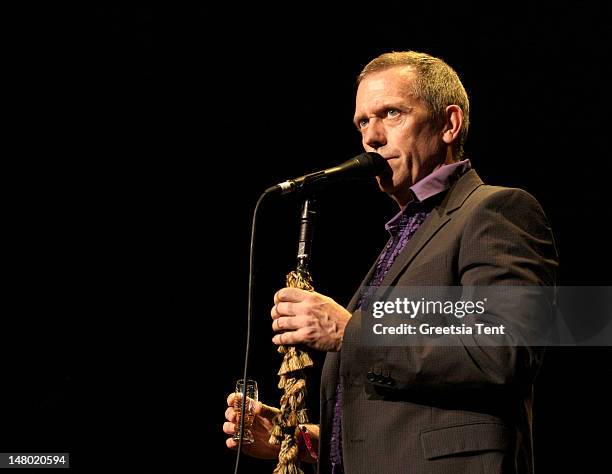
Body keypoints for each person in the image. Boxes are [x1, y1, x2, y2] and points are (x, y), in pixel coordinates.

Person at [223, 50, 558, 474]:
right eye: (363, 122)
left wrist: (350, 331)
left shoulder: (495, 211)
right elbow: (401, 419)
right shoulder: (407, 233)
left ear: (449, 124)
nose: (372, 137)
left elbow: (503, 347)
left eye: (391, 114)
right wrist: (301, 439)